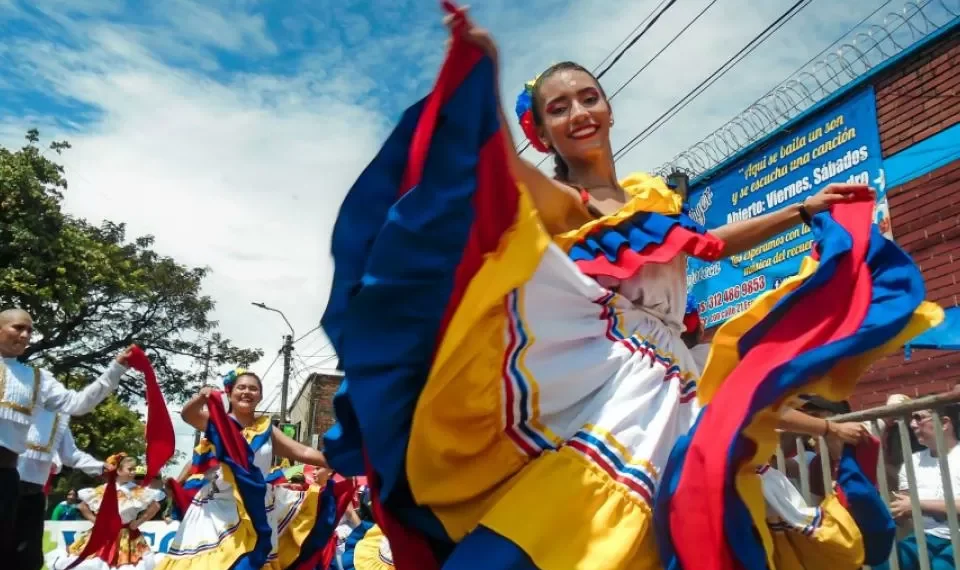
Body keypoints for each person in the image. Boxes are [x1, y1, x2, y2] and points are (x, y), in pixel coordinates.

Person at [319, 5, 940, 570]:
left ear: (609, 109)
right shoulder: (569, 202)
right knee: (556, 537)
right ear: (542, 132)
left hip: (676, 380)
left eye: (588, 98)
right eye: (558, 108)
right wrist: (483, 79)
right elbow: (503, 172)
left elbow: (711, 242)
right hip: (604, 379)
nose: (579, 113)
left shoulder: (653, 197)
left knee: (701, 528)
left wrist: (804, 209)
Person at [156, 369, 333, 570]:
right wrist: (201, 397)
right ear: (230, 393)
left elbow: (302, 451)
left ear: (260, 396)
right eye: (241, 387)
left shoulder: (267, 430)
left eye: (253, 388)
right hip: (217, 508)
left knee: (249, 563)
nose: (247, 392)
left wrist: (338, 461)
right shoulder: (217, 423)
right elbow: (189, 415)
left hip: (256, 506)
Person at [0, 308, 132, 558]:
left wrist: (115, 369)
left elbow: (78, 404)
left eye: (29, 330)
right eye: (18, 328)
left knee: (18, 557)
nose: (25, 335)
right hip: (14, 480)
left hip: (8, 479)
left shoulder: (37, 379)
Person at [16, 410, 105, 570]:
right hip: (6, 485)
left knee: (29, 557)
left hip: (34, 495)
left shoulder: (54, 416)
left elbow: (71, 455)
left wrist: (101, 467)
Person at [47, 454, 165, 570]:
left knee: (127, 565)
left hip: (126, 534)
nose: (133, 472)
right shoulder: (104, 489)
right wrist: (97, 521)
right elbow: (83, 506)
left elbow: (155, 506)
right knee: (94, 562)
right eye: (130, 469)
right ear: (118, 471)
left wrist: (139, 522)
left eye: (134, 469)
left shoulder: (137, 491)